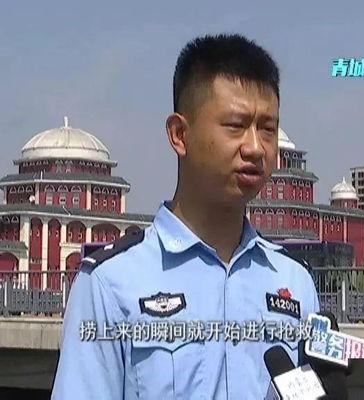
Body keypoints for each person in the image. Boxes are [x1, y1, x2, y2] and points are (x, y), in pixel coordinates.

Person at [51, 33, 319, 399]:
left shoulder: (294, 281)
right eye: (235, 126)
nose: (256, 148)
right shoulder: (110, 283)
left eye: (267, 129)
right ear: (180, 134)